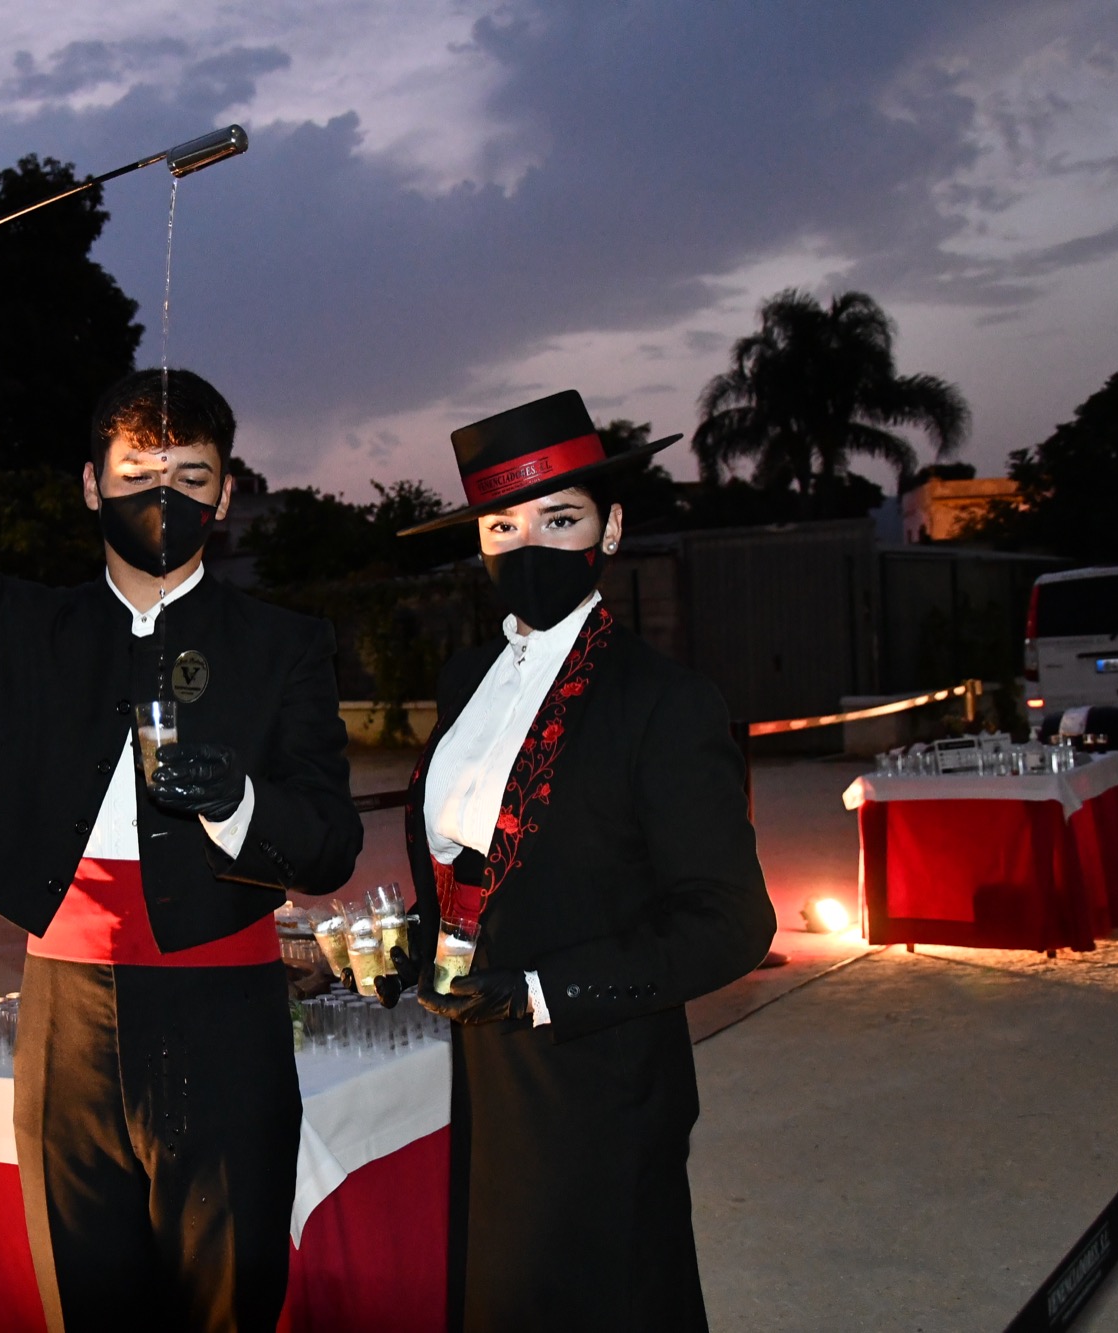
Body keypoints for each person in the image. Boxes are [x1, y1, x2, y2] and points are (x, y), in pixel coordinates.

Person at [0, 334, 362, 1333]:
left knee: (227, 1302)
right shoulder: (17, 629)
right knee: (85, 1301)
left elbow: (331, 843)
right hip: (64, 1019)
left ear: (223, 496)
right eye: (136, 474)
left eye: (191, 477)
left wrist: (238, 803)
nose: (163, 497)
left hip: (222, 1014)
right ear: (91, 486)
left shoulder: (283, 645)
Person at [394, 390, 776, 1330]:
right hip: (484, 1067)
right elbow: (474, 859)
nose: (527, 544)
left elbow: (733, 922)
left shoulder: (664, 701)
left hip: (601, 1075)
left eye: (558, 519)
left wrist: (542, 990)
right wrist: (417, 942)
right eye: (502, 525)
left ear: (610, 529)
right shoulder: (464, 679)